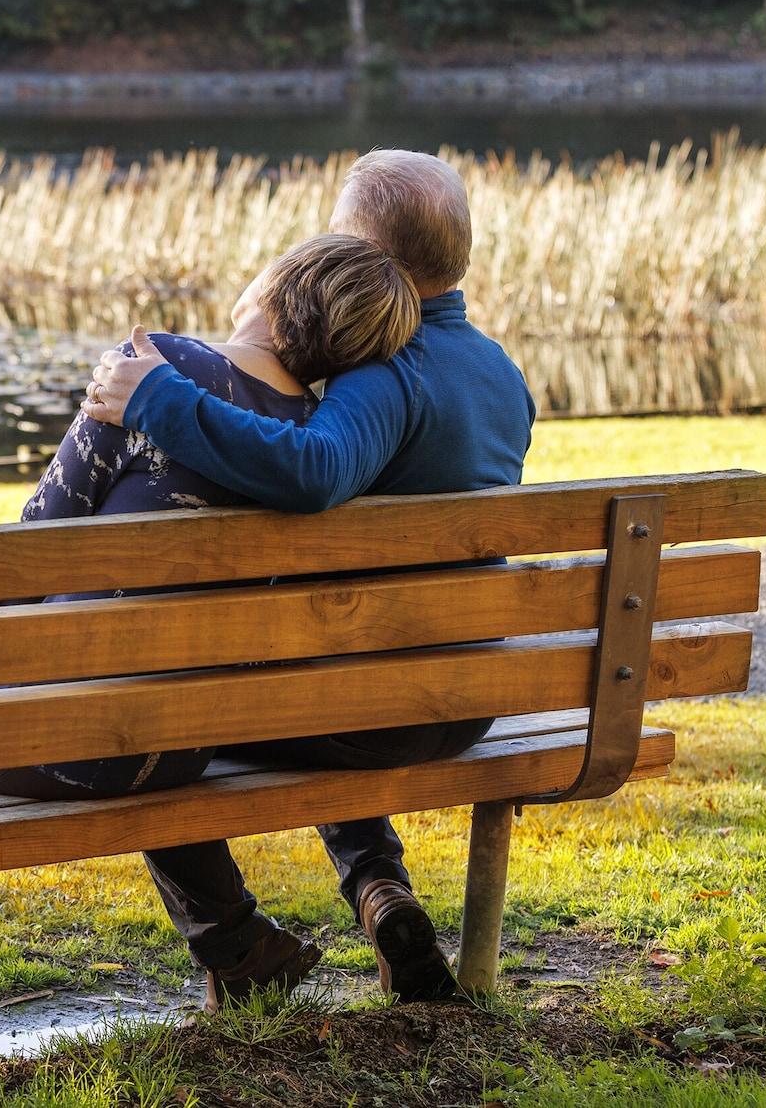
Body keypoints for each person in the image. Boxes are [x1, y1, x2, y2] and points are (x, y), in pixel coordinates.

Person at [0, 230, 425, 1019]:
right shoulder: (310, 443)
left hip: (74, 736)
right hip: (183, 746)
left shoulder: (159, 367)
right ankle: (233, 947)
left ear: (281, 284)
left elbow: (35, 543)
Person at [81, 148, 535, 1007]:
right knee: (318, 671)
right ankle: (377, 885)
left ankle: (237, 944)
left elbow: (314, 468)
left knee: (156, 716)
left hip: (369, 711)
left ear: (364, 255)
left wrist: (158, 400)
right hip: (468, 695)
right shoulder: (501, 373)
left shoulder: (389, 372)